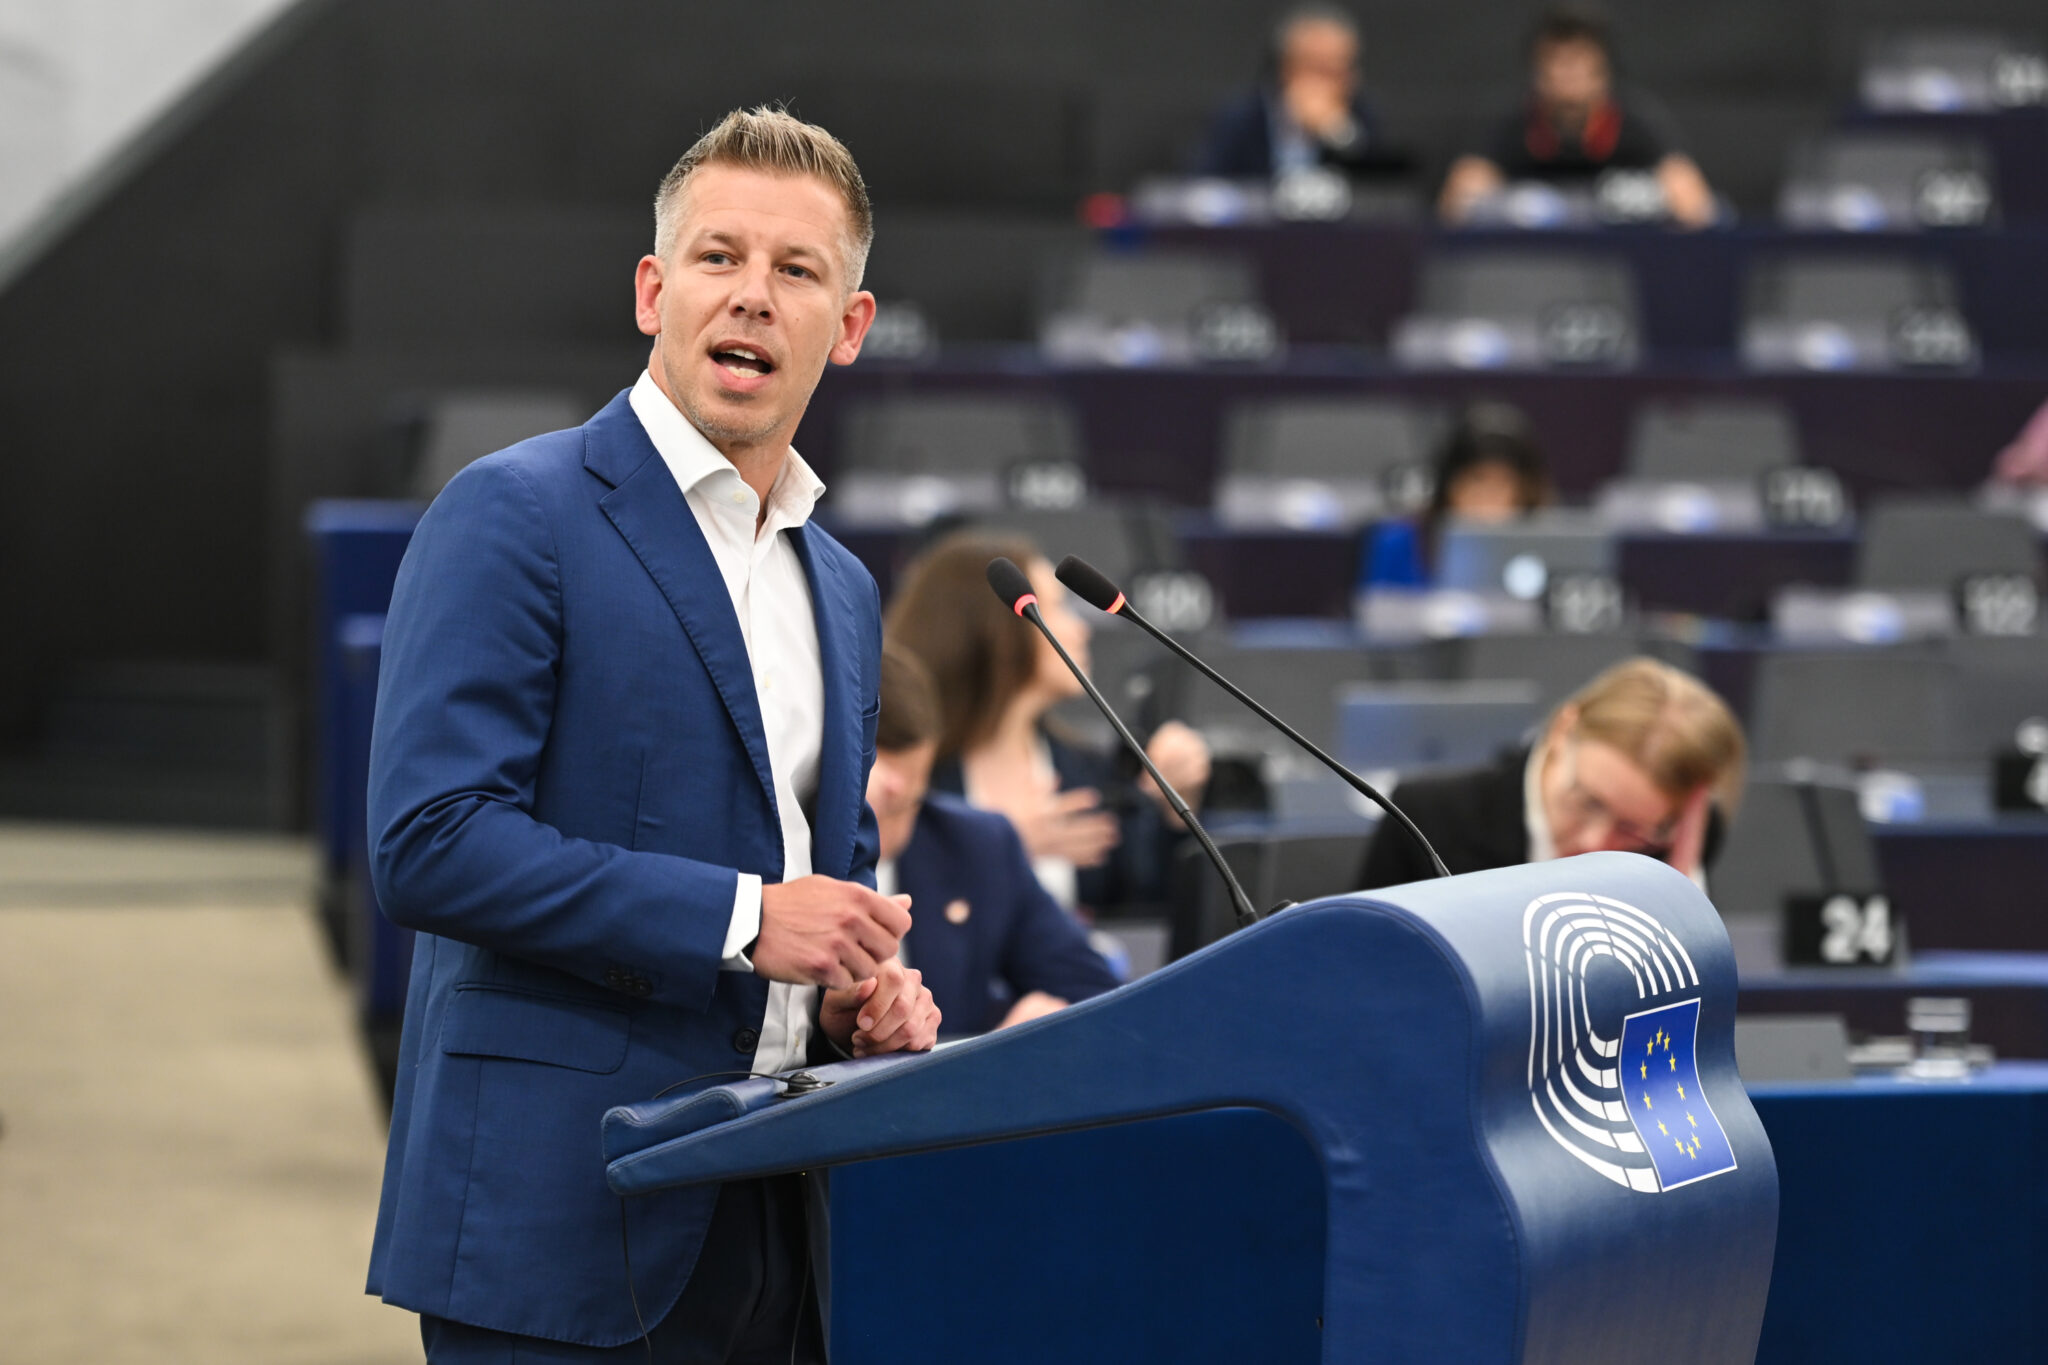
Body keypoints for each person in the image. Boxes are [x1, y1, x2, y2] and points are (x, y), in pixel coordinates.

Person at [365, 107, 941, 1363]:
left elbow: (819, 877)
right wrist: (745, 920)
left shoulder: (838, 585)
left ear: (847, 329)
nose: (750, 297)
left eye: (796, 272)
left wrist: (854, 994)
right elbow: (429, 843)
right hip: (562, 1219)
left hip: (779, 1222)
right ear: (652, 290)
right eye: (718, 257)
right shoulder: (513, 514)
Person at [885, 530, 1211, 916]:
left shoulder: (1085, 769)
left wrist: (1175, 809)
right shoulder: (903, 778)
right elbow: (890, 902)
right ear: (995, 627)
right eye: (1057, 607)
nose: (1081, 629)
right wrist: (1004, 848)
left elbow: (1148, 915)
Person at [866, 642, 1122, 1033]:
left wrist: (1011, 1040)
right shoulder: (771, 861)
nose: (891, 827)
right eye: (874, 805)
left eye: (908, 804)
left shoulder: (973, 845)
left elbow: (1094, 993)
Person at [1357, 658, 1745, 890]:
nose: (1596, 841)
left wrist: (1681, 894)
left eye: (1632, 828)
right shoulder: (1425, 818)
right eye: (1588, 800)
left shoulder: (1683, 836)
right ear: (1562, 731)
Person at [1438, 5, 1715, 228]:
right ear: (1538, 72)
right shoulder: (1510, 122)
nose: (1568, 75)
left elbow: (1694, 204)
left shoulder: (1635, 121)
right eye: (1557, 62)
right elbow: (1457, 203)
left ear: (1603, 72)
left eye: (1579, 63)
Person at [1194, 5, 1391, 180]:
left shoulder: (1359, 117)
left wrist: (1339, 135)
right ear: (1288, 69)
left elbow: (1381, 195)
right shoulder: (1241, 118)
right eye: (1324, 70)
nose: (1341, 82)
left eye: (1345, 69)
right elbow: (1200, 191)